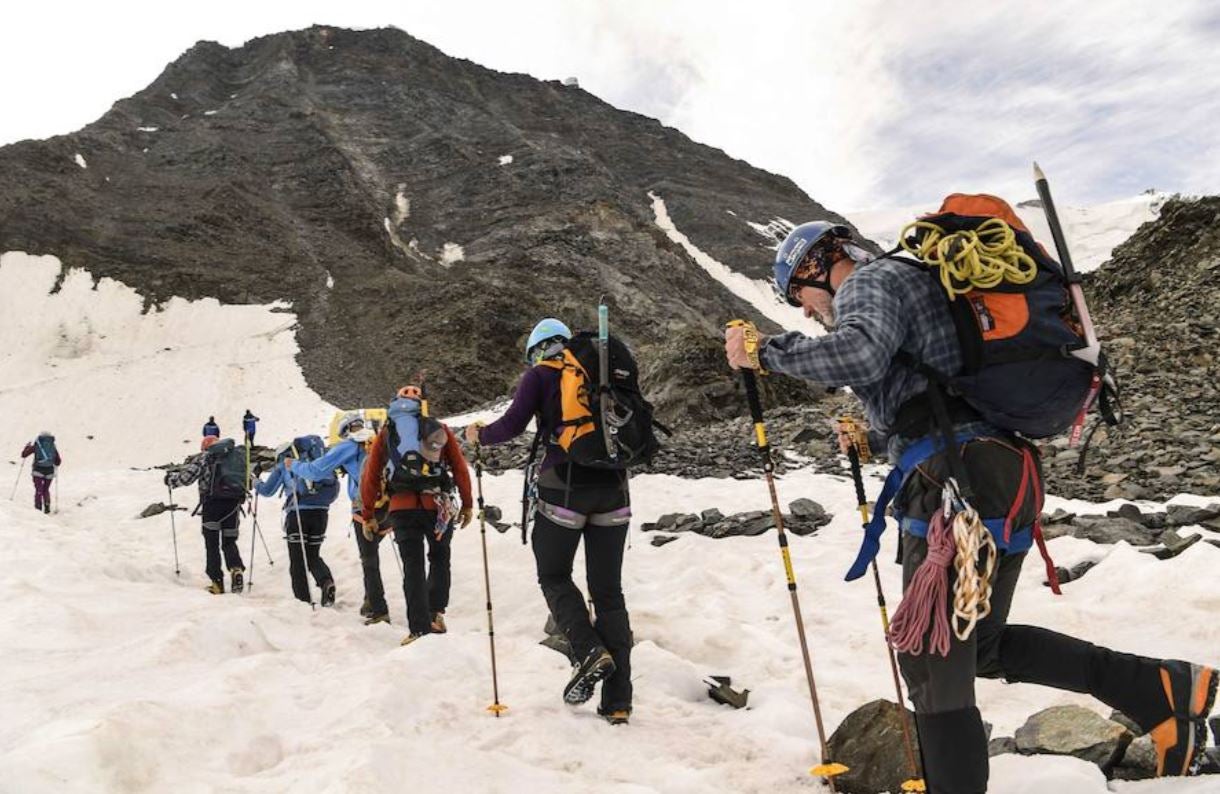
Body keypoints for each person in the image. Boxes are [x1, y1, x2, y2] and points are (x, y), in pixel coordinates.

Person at [724, 219, 1217, 789]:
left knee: (933, 660)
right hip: (1001, 474)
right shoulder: (922, 286)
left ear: (818, 266)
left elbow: (856, 356)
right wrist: (877, 439)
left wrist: (766, 350)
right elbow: (942, 396)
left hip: (953, 487)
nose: (806, 311)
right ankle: (1158, 688)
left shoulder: (867, 280)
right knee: (979, 644)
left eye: (798, 295)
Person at [465, 319, 635, 726]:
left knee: (554, 575)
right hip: (614, 490)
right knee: (608, 592)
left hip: (564, 490)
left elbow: (512, 425)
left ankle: (588, 650)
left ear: (537, 349)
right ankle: (619, 702)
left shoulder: (540, 374)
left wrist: (477, 435)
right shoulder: (604, 370)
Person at [360, 386, 473, 645]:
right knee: (440, 557)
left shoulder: (387, 431)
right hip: (437, 506)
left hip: (402, 507)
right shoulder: (439, 429)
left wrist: (369, 513)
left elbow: (371, 475)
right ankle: (436, 614)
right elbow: (459, 468)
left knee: (413, 566)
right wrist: (467, 504)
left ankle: (418, 629)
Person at [288, 413, 385, 624]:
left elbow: (314, 471)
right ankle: (372, 600)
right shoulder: (380, 439)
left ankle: (378, 608)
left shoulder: (349, 446)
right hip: (391, 504)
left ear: (345, 430)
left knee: (369, 559)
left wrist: (293, 466)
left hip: (365, 508)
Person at [255, 437, 339, 606]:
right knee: (312, 555)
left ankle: (303, 601)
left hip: (298, 514)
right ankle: (325, 581)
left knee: (297, 559)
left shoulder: (283, 465)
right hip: (321, 513)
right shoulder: (316, 462)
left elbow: (267, 491)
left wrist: (255, 481)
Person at [164, 436, 247, 594]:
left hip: (212, 506)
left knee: (212, 543)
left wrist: (170, 480)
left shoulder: (204, 458)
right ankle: (236, 568)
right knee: (230, 540)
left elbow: (186, 478)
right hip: (233, 505)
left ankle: (217, 583)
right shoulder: (234, 457)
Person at [21, 431, 61, 514]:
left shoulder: (38, 445)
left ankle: (38, 509)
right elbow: (58, 462)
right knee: (46, 490)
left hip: (38, 471)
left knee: (38, 490)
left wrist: (27, 447)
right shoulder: (52, 446)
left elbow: (24, 454)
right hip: (49, 471)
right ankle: (47, 507)